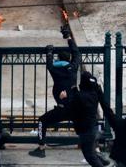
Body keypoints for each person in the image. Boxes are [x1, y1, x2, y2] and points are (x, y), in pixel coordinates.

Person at [30, 24, 80, 158]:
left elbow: (49, 65)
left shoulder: (56, 70)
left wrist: (49, 52)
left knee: (42, 121)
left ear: (59, 59)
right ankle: (90, 145)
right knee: (84, 123)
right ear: (68, 59)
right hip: (74, 108)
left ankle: (41, 148)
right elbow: (76, 53)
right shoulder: (73, 68)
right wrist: (68, 37)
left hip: (62, 108)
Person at [69, 71, 107, 167]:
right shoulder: (94, 94)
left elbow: (73, 105)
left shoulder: (80, 95)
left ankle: (101, 163)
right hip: (90, 127)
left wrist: (73, 91)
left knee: (89, 155)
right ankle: (103, 162)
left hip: (85, 129)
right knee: (90, 152)